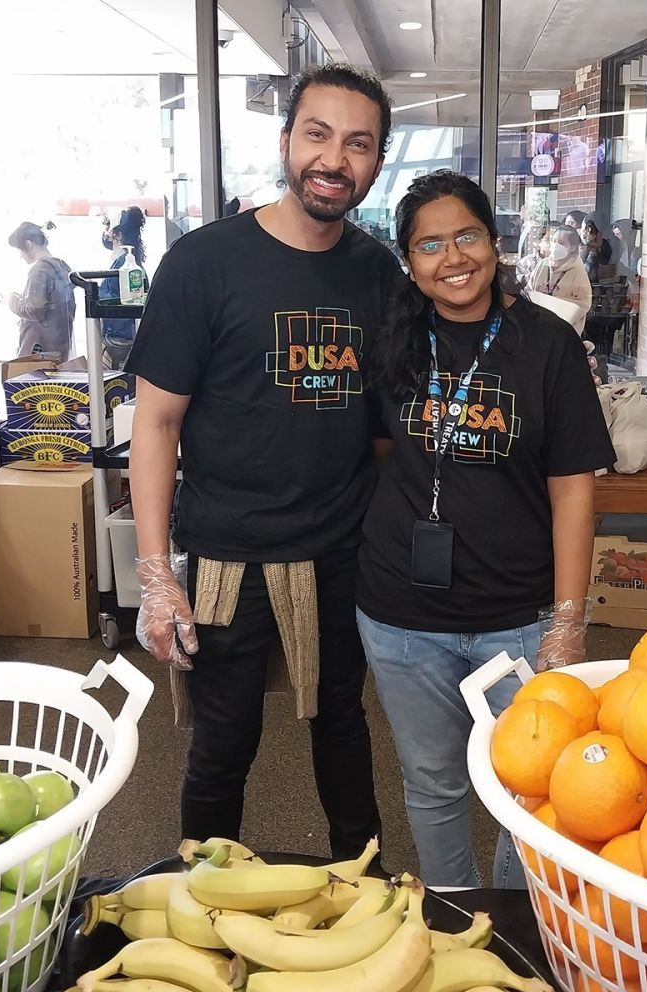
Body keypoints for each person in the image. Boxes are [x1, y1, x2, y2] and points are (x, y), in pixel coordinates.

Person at [126, 63, 401, 857]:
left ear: (376, 162)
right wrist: (155, 572)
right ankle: (200, 894)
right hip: (227, 549)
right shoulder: (204, 263)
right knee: (223, 741)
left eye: (358, 143)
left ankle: (366, 885)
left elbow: (382, 429)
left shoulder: (377, 274)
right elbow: (156, 424)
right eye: (317, 134)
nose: (333, 159)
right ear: (286, 142)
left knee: (344, 731)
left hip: (341, 548)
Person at [356, 170, 614, 888]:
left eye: (466, 236)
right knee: (433, 783)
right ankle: (449, 919)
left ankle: (514, 927)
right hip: (402, 616)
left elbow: (573, 494)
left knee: (529, 790)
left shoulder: (547, 345)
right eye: (429, 245)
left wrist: (568, 621)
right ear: (410, 262)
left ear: (494, 243)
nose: (453, 258)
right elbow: (387, 456)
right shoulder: (397, 341)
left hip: (518, 620)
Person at [5, 221, 75, 360]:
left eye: (20, 250)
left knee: (36, 382)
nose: (20, 255)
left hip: (39, 349)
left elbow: (34, 311)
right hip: (59, 346)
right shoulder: (61, 267)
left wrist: (11, 300)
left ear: (28, 244)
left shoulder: (39, 270)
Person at [101, 207, 148, 368]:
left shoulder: (121, 267)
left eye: (107, 228)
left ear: (117, 235)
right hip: (129, 339)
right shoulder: (135, 265)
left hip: (119, 342)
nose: (105, 232)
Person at [526, 226, 593, 334]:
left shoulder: (578, 271)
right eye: (554, 241)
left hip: (563, 332)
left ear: (572, 247)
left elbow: (584, 304)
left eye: (561, 243)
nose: (556, 246)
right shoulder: (542, 265)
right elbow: (528, 293)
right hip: (538, 330)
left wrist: (554, 302)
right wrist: (538, 296)